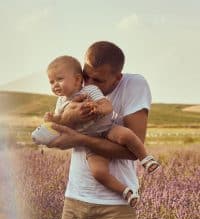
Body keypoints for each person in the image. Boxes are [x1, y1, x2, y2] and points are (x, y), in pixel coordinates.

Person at [46, 41, 153, 219]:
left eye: (99, 81)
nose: (90, 84)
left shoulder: (134, 85)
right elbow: (59, 132)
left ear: (117, 79)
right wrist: (65, 121)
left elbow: (132, 149)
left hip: (114, 207)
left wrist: (79, 139)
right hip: (74, 201)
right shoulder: (74, 87)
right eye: (86, 76)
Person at [32, 55, 160, 207]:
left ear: (78, 79)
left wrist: (99, 109)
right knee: (99, 173)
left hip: (107, 129)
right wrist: (52, 119)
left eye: (59, 79)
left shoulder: (90, 90)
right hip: (90, 141)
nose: (55, 85)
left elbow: (107, 106)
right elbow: (60, 125)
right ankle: (126, 192)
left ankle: (145, 159)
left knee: (126, 135)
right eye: (51, 82)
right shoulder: (60, 103)